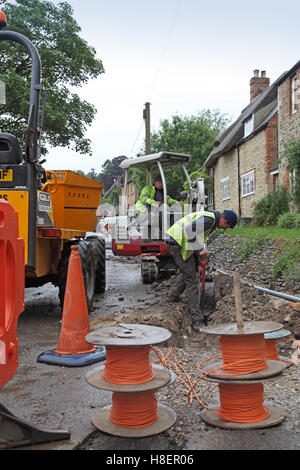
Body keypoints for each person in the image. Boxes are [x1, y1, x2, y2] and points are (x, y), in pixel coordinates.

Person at [165, 209, 238, 330]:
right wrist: (200, 250)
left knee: (189, 271)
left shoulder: (211, 221)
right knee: (192, 280)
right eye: (227, 226)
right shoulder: (209, 220)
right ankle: (196, 320)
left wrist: (199, 263)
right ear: (224, 220)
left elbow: (195, 237)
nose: (225, 229)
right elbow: (189, 230)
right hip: (175, 241)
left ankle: (172, 296)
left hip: (179, 242)